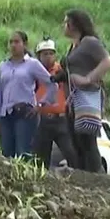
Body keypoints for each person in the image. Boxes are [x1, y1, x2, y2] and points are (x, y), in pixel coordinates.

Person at [0, 31, 58, 158]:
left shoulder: (32, 64)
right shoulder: (2, 66)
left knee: (23, 154)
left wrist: (40, 105)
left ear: (24, 44)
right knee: (6, 154)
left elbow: (52, 84)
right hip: (6, 114)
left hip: (25, 114)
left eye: (17, 42)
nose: (13, 45)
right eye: (11, 42)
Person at [61, 9, 110, 173]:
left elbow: (107, 62)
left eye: (66, 22)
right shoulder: (74, 46)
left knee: (87, 140)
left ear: (74, 24)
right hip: (73, 99)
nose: (63, 26)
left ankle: (94, 176)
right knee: (76, 141)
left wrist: (88, 78)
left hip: (87, 96)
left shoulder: (89, 42)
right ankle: (83, 175)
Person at [32, 38, 78, 168]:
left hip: (61, 119)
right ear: (39, 56)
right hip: (42, 119)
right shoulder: (34, 71)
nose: (48, 57)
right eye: (45, 54)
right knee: (41, 158)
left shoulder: (61, 71)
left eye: (51, 53)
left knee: (71, 153)